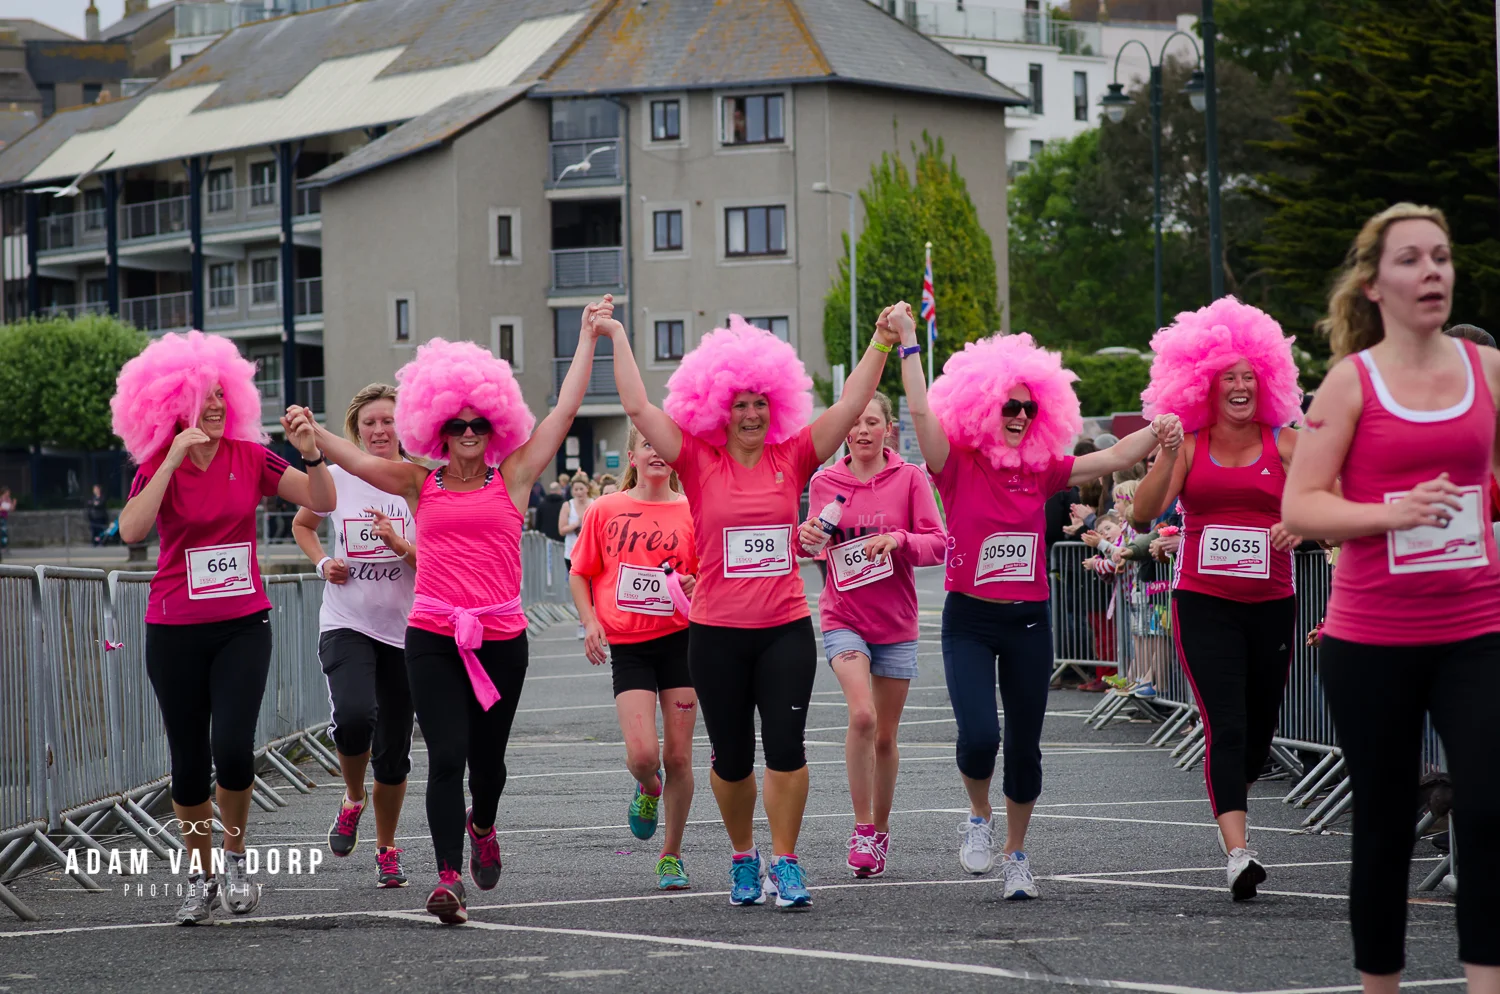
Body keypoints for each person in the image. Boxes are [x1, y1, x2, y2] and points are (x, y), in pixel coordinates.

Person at [283, 298, 606, 926]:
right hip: (430, 634)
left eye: (477, 425)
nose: (466, 434)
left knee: (488, 765)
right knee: (446, 756)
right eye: (456, 424)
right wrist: (309, 430)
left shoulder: (513, 476)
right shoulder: (415, 480)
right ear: (437, 427)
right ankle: (448, 879)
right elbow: (354, 459)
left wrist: (590, 336)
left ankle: (483, 822)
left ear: (493, 429)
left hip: (500, 636)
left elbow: (565, 410)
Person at [606, 306, 902, 909]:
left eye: (759, 403)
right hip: (714, 634)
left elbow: (848, 406)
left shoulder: (791, 456)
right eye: (739, 404)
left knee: (788, 748)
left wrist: (880, 341)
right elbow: (638, 409)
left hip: (784, 629)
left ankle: (787, 862)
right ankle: (744, 857)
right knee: (734, 756)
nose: (749, 414)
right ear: (719, 407)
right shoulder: (695, 458)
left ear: (775, 406)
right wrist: (614, 334)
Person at [1282, 203, 1500, 994]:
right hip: (1372, 639)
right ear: (1375, 284)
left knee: (1487, 810)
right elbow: (1300, 507)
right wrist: (1390, 514)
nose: (1432, 272)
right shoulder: (1351, 382)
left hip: (1478, 627)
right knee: (1382, 829)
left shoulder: (1488, 371)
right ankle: (1381, 986)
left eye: (1441, 257)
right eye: (1412, 260)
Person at [897, 316, 1181, 899]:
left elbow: (1111, 458)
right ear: (982, 409)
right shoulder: (954, 465)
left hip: (1028, 622)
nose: (1020, 417)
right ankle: (978, 815)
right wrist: (907, 344)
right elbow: (923, 414)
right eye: (1008, 408)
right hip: (970, 621)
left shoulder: (1041, 468)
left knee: (1025, 744)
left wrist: (1159, 429)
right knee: (979, 738)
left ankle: (1017, 855)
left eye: (1028, 408)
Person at [112, 330, 335, 925]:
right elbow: (131, 531)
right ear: (172, 405)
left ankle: (234, 857)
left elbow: (323, 499)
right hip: (174, 626)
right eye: (200, 397)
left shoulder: (247, 455)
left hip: (242, 623)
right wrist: (172, 458)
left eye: (220, 396)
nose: (213, 406)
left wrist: (311, 452)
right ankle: (200, 873)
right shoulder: (162, 462)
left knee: (232, 749)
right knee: (187, 762)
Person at [1133, 296, 1305, 900]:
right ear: (1202, 384)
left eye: (1248, 376)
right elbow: (1141, 513)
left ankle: (1234, 797)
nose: (1239, 385)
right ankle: (1238, 853)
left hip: (1272, 603)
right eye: (1227, 377)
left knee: (1259, 731)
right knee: (1225, 725)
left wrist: (1300, 525)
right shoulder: (1190, 444)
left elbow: (1324, 506)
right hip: (1203, 602)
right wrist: (1166, 450)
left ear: (1268, 382)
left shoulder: (1286, 445)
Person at [796, 391, 945, 878]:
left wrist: (898, 540)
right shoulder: (825, 480)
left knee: (885, 735)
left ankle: (880, 831)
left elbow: (939, 543)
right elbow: (815, 545)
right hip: (844, 616)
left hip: (896, 623)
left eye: (872, 422)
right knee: (861, 714)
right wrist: (809, 539)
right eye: (855, 423)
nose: (861, 431)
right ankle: (861, 828)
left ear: (888, 430)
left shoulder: (910, 478)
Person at [291, 383, 417, 888]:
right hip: (347, 621)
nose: (380, 430)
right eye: (370, 423)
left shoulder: (417, 481)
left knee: (393, 753)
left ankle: (386, 847)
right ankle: (352, 797)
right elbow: (304, 525)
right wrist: (323, 562)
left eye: (388, 421)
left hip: (407, 632)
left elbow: (436, 560)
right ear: (356, 430)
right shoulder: (336, 477)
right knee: (355, 716)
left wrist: (398, 543)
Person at [568, 425, 700, 891]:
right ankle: (647, 786)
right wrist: (590, 622)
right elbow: (580, 574)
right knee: (645, 756)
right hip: (630, 647)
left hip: (681, 644)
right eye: (648, 444)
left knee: (680, 757)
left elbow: (710, 577)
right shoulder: (606, 509)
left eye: (664, 445)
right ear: (632, 456)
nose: (657, 452)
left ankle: (671, 855)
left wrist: (695, 585)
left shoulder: (692, 511)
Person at [559, 473, 594, 637]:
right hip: (572, 554)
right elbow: (561, 529)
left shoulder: (594, 504)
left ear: (587, 489)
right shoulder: (568, 506)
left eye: (581, 489)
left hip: (591, 553)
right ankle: (582, 622)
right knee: (579, 590)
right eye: (576, 489)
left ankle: (593, 621)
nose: (579, 492)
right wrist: (575, 524)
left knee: (593, 589)